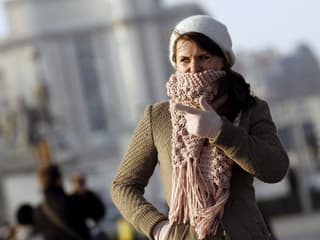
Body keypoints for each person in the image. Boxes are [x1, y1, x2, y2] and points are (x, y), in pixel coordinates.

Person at [111, 15, 289, 240]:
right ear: (175, 62)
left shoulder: (250, 109)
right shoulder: (158, 117)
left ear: (222, 60)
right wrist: (158, 228)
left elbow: (276, 169)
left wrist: (220, 132)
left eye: (203, 57)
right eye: (184, 59)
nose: (194, 68)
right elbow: (123, 186)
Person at [33, 164, 105, 240]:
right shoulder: (72, 202)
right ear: (59, 180)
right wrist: (83, 192)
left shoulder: (38, 211)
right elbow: (99, 212)